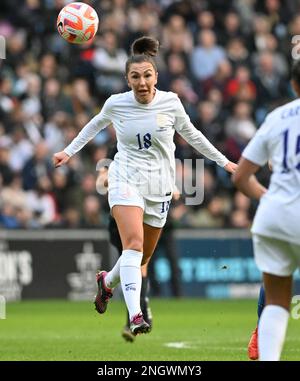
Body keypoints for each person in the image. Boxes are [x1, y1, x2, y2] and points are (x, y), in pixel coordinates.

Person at [53, 36, 237, 336]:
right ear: (127, 80)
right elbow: (93, 125)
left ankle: (106, 282)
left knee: (141, 257)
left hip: (160, 187)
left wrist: (224, 162)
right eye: (135, 77)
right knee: (133, 245)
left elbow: (194, 136)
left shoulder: (172, 103)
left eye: (147, 75)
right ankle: (136, 314)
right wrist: (67, 152)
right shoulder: (116, 104)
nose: (141, 82)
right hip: (125, 180)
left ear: (156, 77)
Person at [233, 59, 300, 361]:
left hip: (273, 217)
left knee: (276, 302)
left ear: (293, 85)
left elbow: (240, 176)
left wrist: (268, 197)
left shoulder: (277, 116)